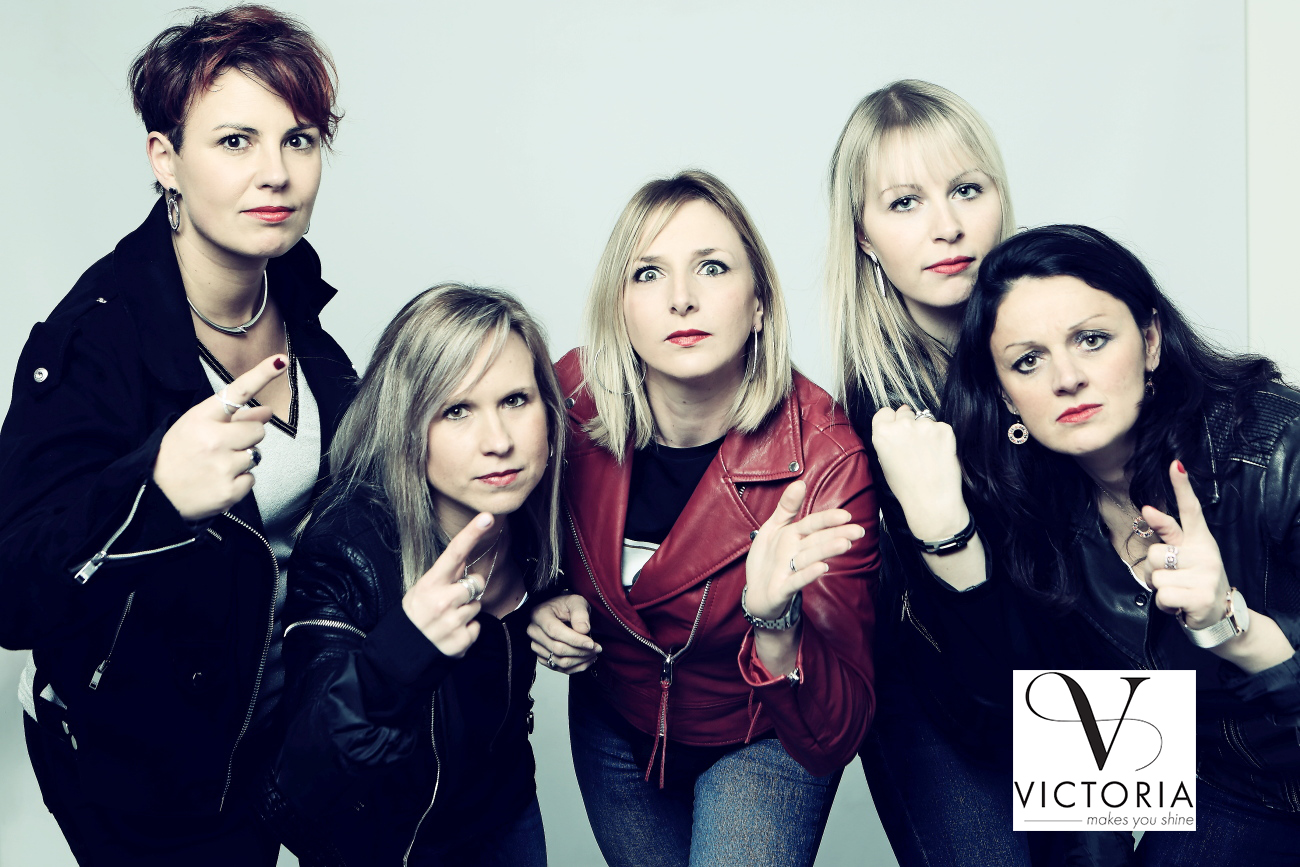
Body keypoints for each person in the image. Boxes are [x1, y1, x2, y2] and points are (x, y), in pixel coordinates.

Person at [0, 7, 355, 864]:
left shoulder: (297, 300)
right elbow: (12, 589)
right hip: (147, 773)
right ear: (165, 158)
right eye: (235, 141)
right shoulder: (92, 341)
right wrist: (154, 496)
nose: (276, 173)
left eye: (300, 139)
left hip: (278, 736)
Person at [527, 169, 879, 867]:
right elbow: (501, 528)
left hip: (761, 736)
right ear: (619, 308)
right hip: (614, 722)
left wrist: (776, 623)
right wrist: (537, 596)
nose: (681, 298)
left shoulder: (827, 459)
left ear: (759, 304)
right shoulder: (568, 398)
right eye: (648, 273)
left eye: (712, 267)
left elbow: (837, 731)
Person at [923, 224, 1300, 864]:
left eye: (1091, 340)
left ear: (1150, 342)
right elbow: (1039, 745)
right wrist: (939, 528)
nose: (1066, 378)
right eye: (1028, 360)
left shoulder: (1277, 451)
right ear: (1005, 396)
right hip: (1232, 796)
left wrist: (1231, 625)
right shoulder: (1030, 516)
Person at [266, 284, 564, 866]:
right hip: (396, 846)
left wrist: (557, 593)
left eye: (515, 400)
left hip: (505, 813)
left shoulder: (532, 512)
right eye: (457, 410)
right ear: (406, 424)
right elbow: (302, 777)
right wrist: (399, 653)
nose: (499, 442)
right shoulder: (348, 547)